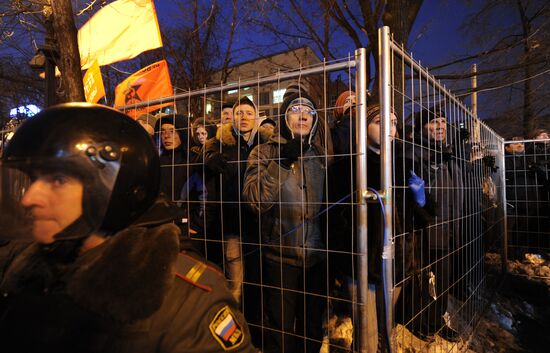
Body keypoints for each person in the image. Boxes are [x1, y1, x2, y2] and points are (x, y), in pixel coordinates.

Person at [0, 103, 257, 353]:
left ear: (116, 187)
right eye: (32, 179)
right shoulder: (23, 266)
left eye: (57, 179)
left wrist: (197, 224)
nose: (29, 198)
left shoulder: (186, 304)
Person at [243, 91, 333, 353]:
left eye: (309, 111)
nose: (303, 114)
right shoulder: (265, 151)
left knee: (312, 330)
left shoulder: (322, 156)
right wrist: (281, 163)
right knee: (279, 331)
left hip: (317, 258)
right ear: (284, 116)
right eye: (295, 109)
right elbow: (255, 200)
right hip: (279, 258)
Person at [409, 106, 464, 341]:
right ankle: (421, 321)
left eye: (442, 120)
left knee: (442, 279)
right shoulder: (416, 153)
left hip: (449, 228)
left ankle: (437, 319)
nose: (440, 125)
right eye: (433, 122)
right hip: (427, 230)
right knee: (423, 280)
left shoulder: (447, 153)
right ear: (422, 127)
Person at [203, 96, 260, 304]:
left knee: (256, 281)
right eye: (239, 113)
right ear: (232, 118)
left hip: (259, 224)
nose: (243, 117)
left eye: (248, 113)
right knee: (234, 281)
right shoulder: (220, 143)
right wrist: (210, 158)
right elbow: (206, 153)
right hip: (232, 222)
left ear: (256, 117)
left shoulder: (264, 142)